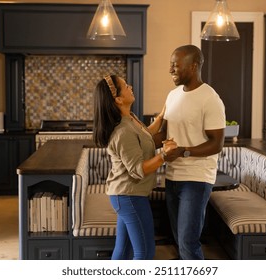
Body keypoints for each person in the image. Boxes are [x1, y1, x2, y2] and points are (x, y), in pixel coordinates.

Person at [93, 74, 177, 260]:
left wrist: (162, 115)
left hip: (125, 196)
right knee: (145, 253)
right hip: (129, 196)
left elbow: (146, 134)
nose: (130, 86)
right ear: (118, 99)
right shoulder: (122, 132)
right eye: (125, 86)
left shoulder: (130, 119)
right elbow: (138, 170)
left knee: (123, 252)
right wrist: (164, 155)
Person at [156, 45, 226, 260]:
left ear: (193, 66)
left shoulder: (210, 99)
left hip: (196, 178)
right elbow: (164, 133)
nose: (170, 70)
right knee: (179, 239)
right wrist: (135, 139)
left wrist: (184, 151)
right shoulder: (172, 95)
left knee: (188, 241)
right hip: (173, 176)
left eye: (175, 66)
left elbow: (216, 144)